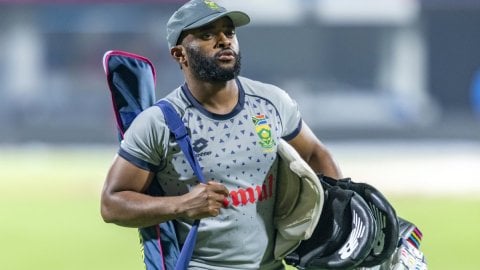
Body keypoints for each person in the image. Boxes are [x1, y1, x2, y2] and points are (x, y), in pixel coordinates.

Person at [100, 0, 342, 269]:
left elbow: (314, 153)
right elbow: (112, 203)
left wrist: (341, 215)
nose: (224, 41)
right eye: (207, 35)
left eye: (229, 32)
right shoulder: (158, 123)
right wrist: (182, 205)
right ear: (179, 54)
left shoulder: (271, 102)